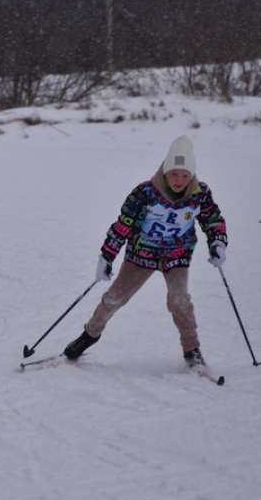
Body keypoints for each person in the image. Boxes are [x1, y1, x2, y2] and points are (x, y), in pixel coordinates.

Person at [63, 135, 228, 367]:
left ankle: (192, 350)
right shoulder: (145, 192)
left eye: (184, 175)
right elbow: (123, 224)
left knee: (179, 300)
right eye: (174, 174)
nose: (179, 180)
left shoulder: (200, 193)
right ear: (164, 171)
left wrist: (218, 242)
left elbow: (212, 219)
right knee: (113, 299)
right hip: (141, 255)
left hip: (177, 256)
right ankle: (88, 336)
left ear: (191, 175)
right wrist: (107, 256)